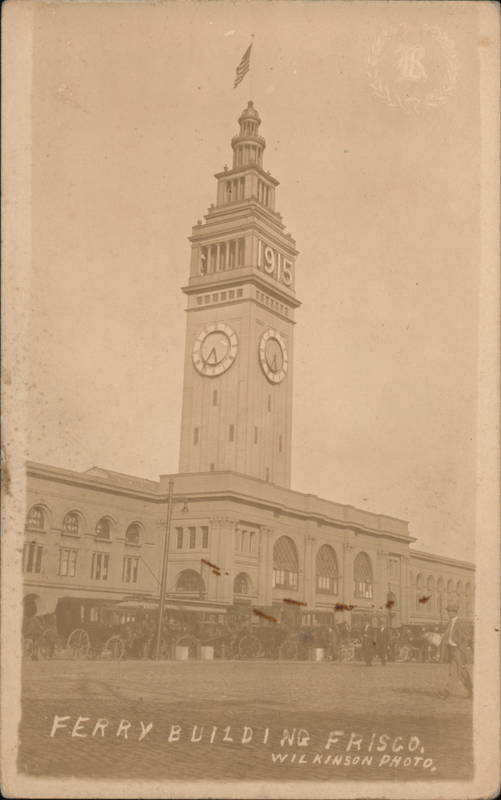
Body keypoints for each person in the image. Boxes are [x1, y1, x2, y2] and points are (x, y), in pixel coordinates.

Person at [440, 603, 473, 699]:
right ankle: (448, 692)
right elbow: (448, 636)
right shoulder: (449, 623)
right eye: (448, 612)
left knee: (460, 671)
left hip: (457, 650)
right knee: (454, 671)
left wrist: (458, 645)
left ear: (455, 612)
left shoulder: (461, 622)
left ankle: (449, 692)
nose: (449, 613)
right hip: (451, 650)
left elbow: (466, 637)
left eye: (451, 612)